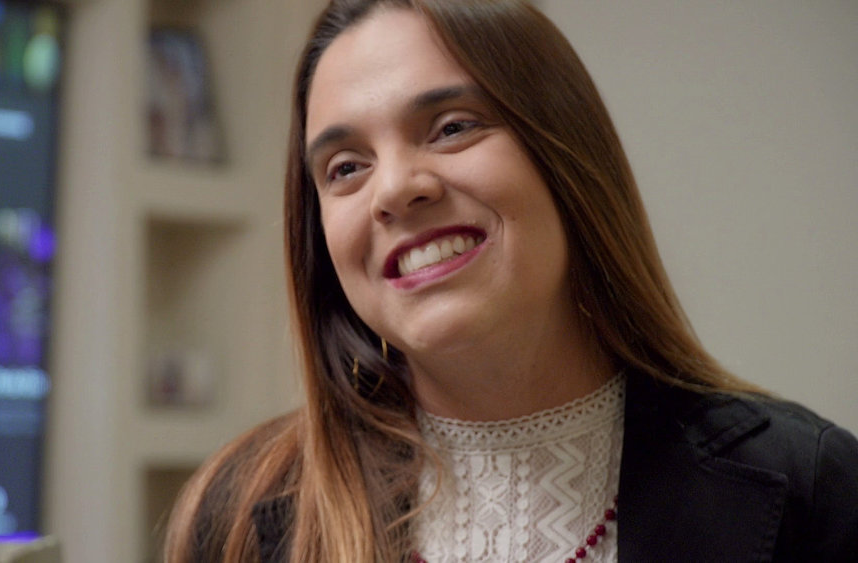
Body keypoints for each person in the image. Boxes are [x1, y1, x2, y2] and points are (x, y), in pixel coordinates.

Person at [165, 1, 858, 561]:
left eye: (451, 127)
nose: (396, 188)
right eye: (345, 167)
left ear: (567, 158)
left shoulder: (815, 489)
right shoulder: (230, 515)